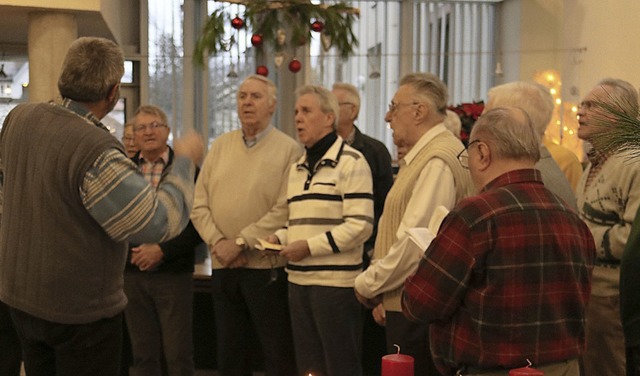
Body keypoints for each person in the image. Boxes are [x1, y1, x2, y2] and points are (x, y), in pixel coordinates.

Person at [0, 37, 203, 376]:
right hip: (78, 314)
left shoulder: (19, 119)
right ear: (112, 92)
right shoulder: (96, 149)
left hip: (20, 300)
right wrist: (184, 162)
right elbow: (156, 222)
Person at [403, 107, 596, 376]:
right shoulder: (570, 216)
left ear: (482, 153)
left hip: (494, 370)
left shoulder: (475, 216)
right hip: (565, 368)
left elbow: (420, 303)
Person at [354, 72, 474, 376]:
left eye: (395, 107)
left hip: (419, 310)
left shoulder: (437, 161)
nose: (387, 116)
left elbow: (416, 243)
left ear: (419, 111)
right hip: (405, 302)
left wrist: (369, 283)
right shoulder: (427, 157)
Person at [191, 74, 300, 376]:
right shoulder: (221, 146)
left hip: (266, 269)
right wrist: (219, 244)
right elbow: (199, 204)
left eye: (255, 96)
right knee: (229, 352)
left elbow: (285, 207)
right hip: (224, 265)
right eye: (242, 96)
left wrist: (240, 243)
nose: (247, 102)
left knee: (275, 353)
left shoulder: (288, 150)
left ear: (272, 106)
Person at [268, 85, 374, 376]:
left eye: (306, 111)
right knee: (309, 367)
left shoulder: (352, 162)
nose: (298, 119)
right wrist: (279, 238)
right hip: (298, 283)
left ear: (329, 118)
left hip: (335, 286)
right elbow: (299, 223)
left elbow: (361, 225)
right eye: (295, 112)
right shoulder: (297, 167)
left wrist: (309, 247)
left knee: (340, 366)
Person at [123, 104, 203, 376]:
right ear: (133, 135)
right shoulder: (123, 172)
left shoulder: (189, 169)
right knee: (143, 356)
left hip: (173, 273)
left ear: (167, 131)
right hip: (132, 274)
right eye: (141, 128)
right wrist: (134, 252)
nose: (148, 132)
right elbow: (116, 217)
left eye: (155, 125)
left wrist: (162, 250)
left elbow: (198, 224)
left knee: (178, 356)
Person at [576, 78, 640, 376]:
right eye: (582, 104)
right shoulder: (593, 162)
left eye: (591, 105)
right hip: (589, 292)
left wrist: (578, 237)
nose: (580, 111)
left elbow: (633, 237)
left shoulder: (633, 162)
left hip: (613, 298)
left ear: (616, 115)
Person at [332, 82, 393, 375]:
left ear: (352, 111)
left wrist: (372, 249)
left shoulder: (374, 150)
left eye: (335, 105)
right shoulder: (318, 148)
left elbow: (384, 206)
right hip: (329, 254)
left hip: (366, 252)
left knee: (363, 339)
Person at [484, 81, 577, 209]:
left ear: (511, 123)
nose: (480, 124)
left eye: (486, 117)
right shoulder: (539, 162)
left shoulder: (526, 173)